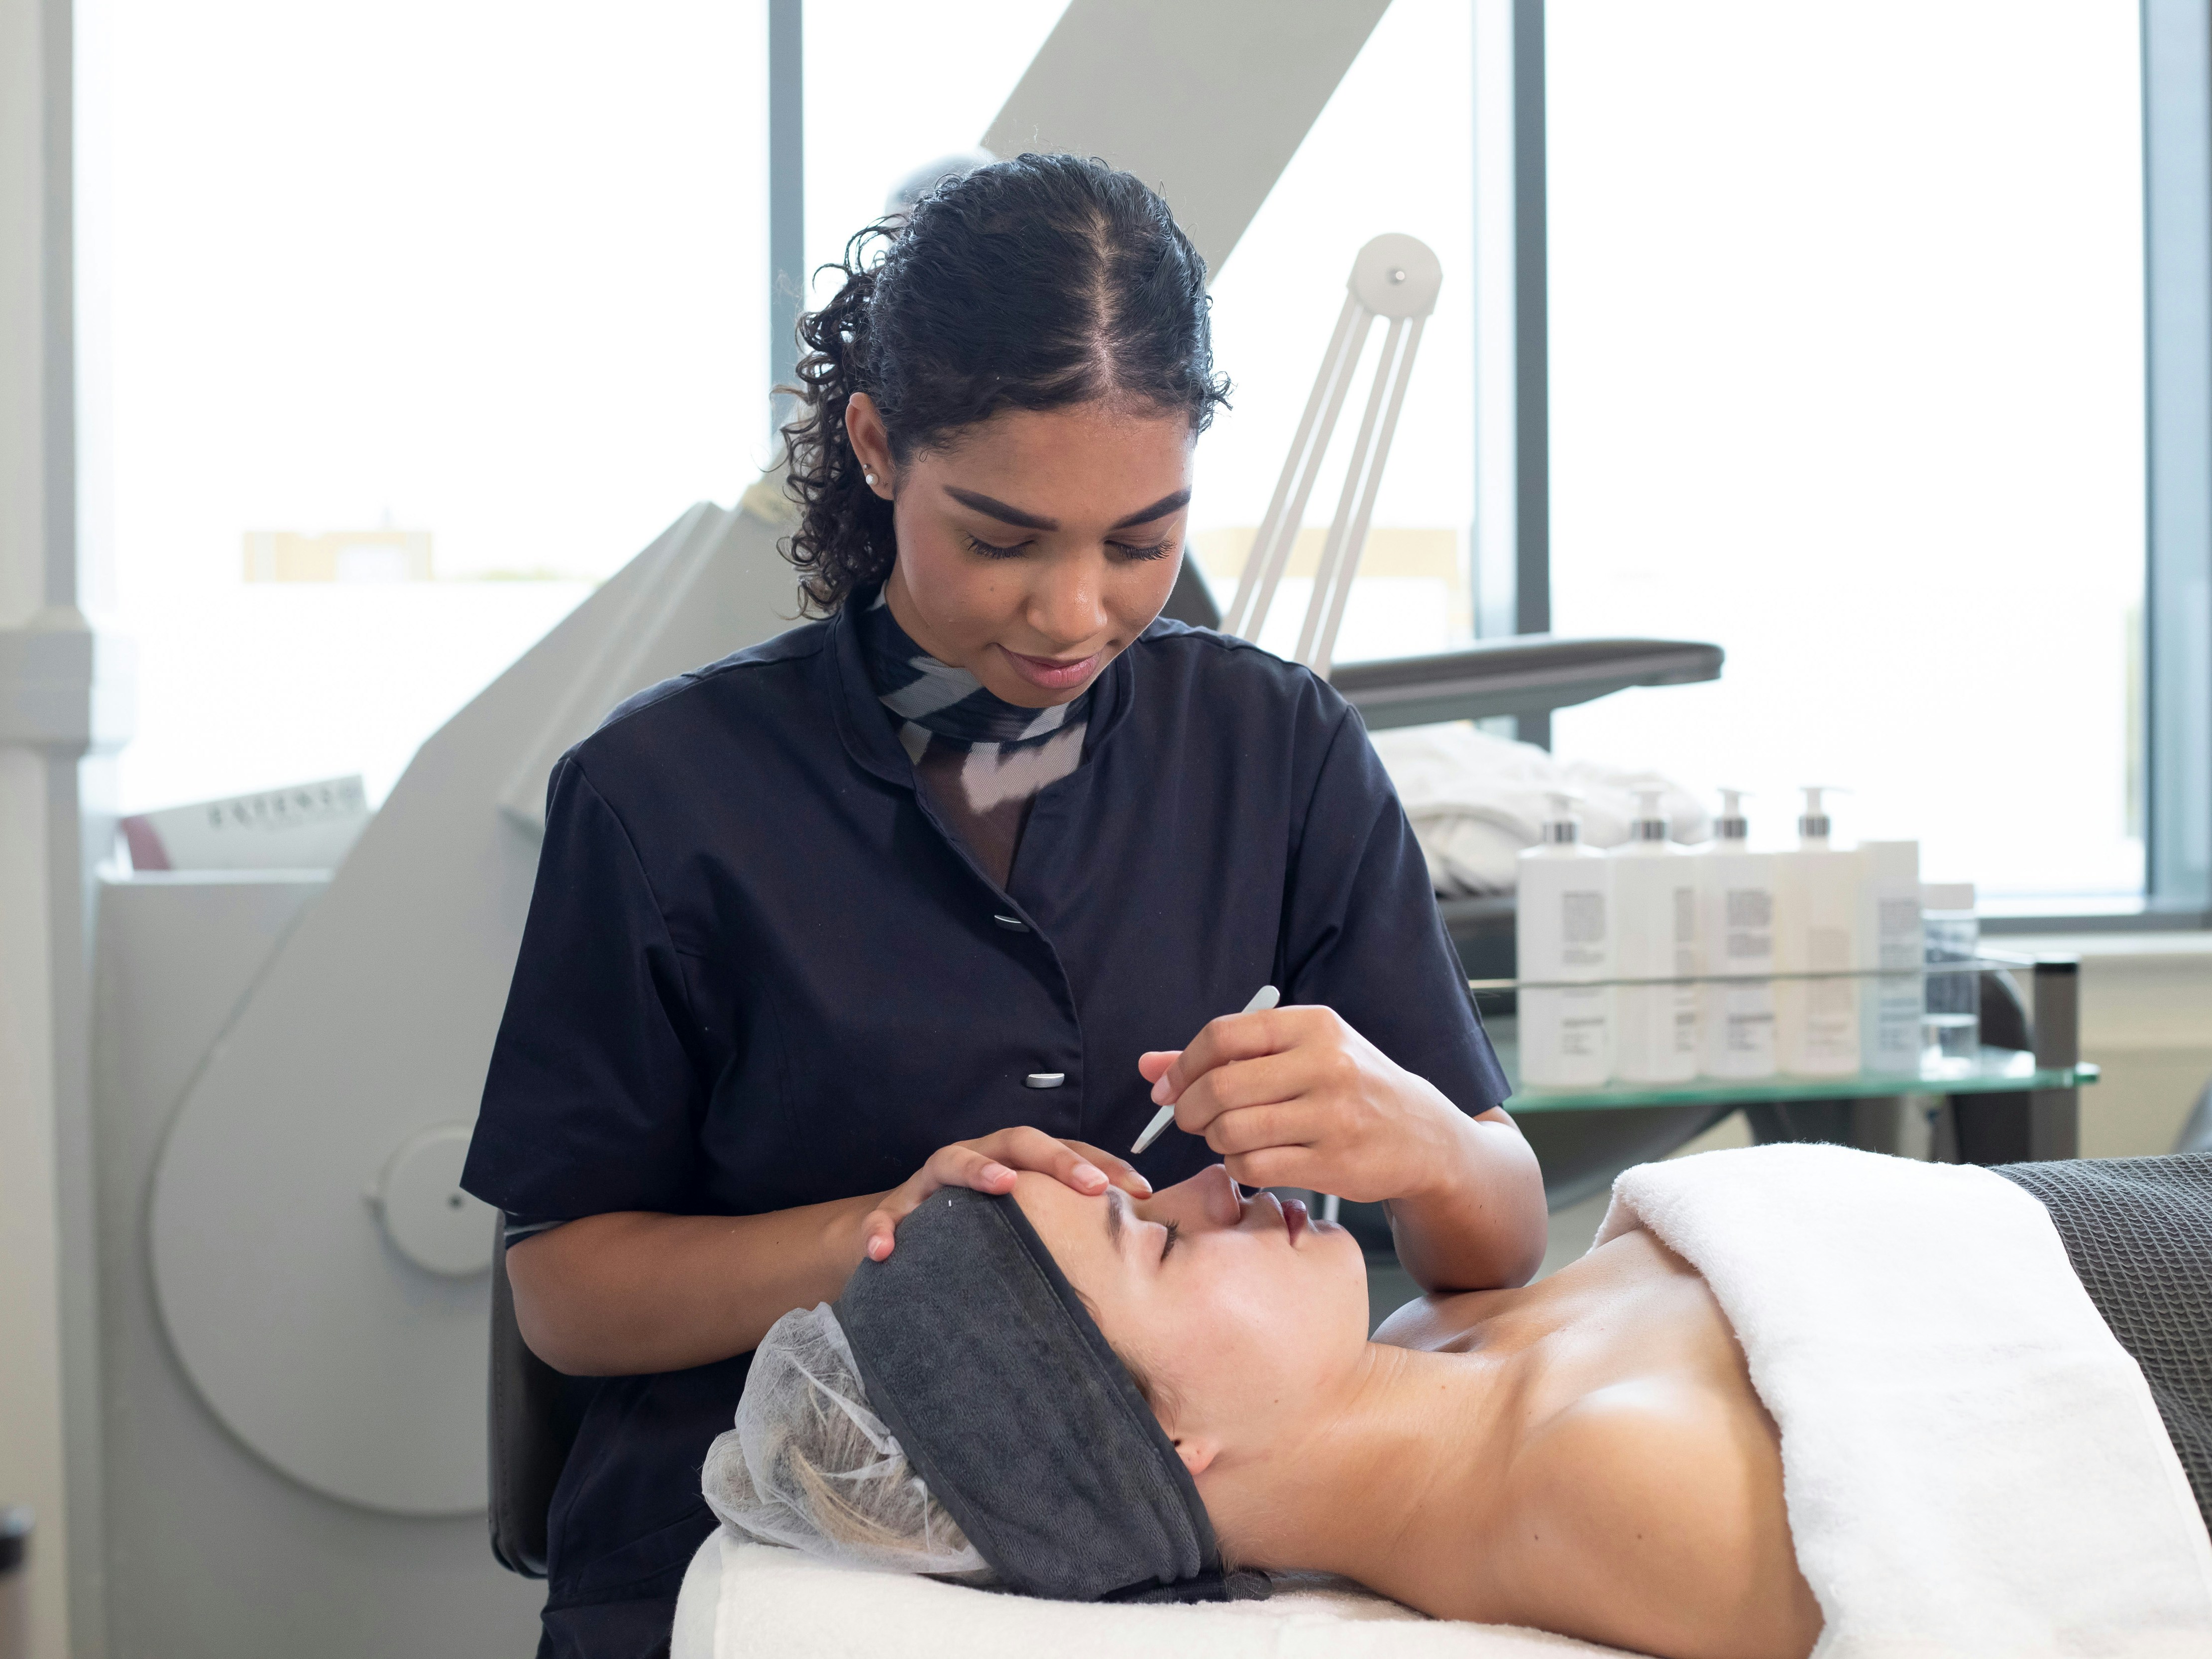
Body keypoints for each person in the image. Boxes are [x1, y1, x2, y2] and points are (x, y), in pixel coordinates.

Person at [460, 152, 1546, 1657]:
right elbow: (566, 1294)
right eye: (1001, 537)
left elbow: (1493, 1241)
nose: (1075, 612)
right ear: (876, 443)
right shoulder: (664, 794)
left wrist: (1416, 1134)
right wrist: (881, 1229)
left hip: (1174, 1564)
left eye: (1141, 540)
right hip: (743, 1555)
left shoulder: (1277, 754)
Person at [711, 1167, 1822, 1659]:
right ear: (1166, 1444)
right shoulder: (1612, 1485)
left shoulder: (1430, 1334)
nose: (1213, 1186)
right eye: (1160, 1236)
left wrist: (1435, 1147)